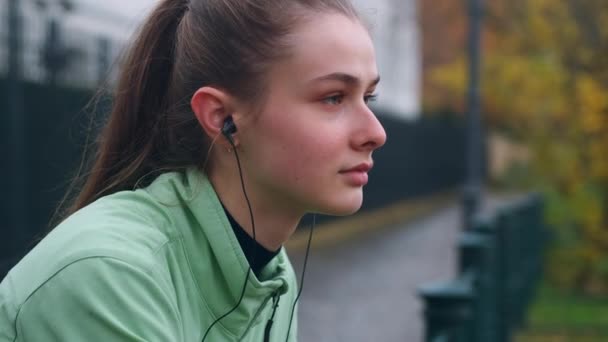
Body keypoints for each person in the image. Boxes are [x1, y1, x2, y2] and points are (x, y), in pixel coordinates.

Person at [0, 0, 386, 340]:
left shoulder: (272, 276)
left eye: (368, 97)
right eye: (333, 98)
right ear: (222, 118)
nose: (376, 132)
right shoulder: (110, 275)